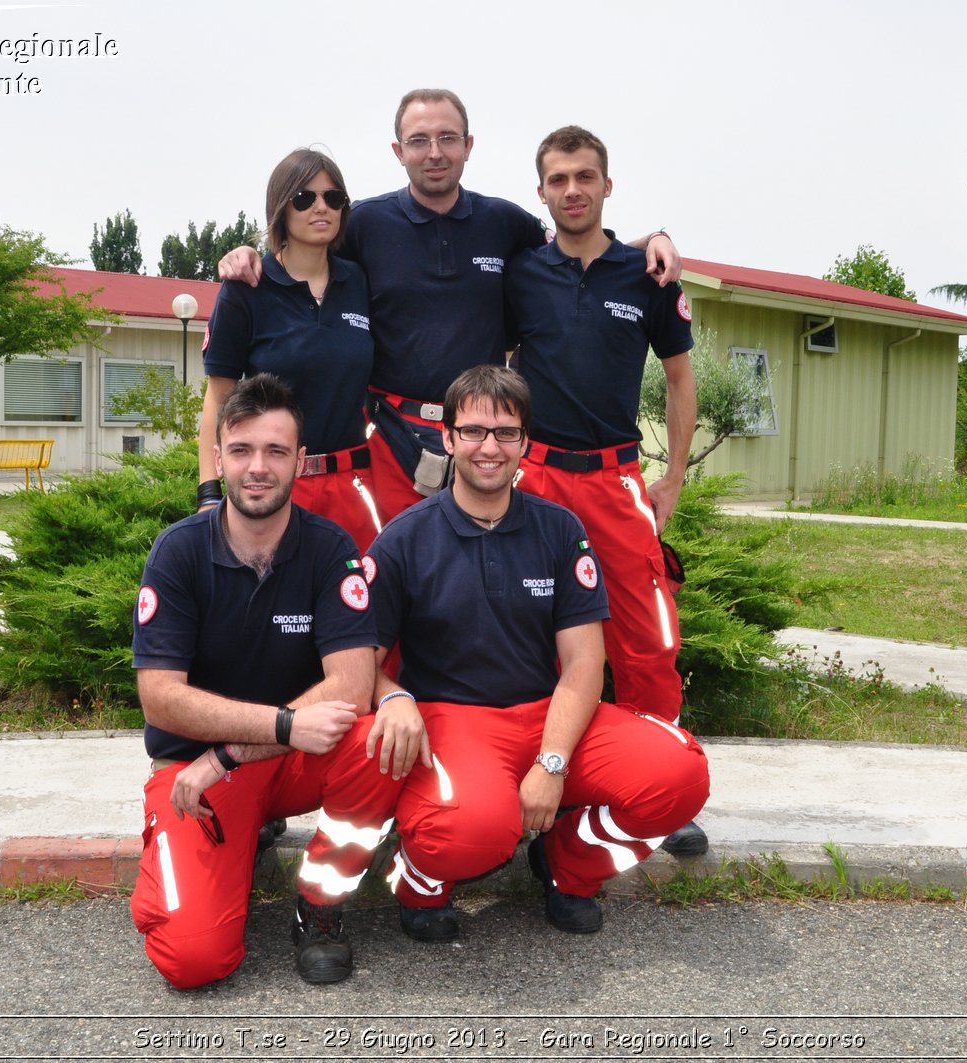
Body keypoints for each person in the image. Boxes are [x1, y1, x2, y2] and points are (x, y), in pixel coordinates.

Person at [220, 89, 682, 523]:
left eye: (447, 138)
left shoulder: (503, 221)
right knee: (386, 573)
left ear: (468, 145)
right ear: (399, 152)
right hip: (388, 443)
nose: (434, 152)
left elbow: (576, 245)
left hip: (480, 441)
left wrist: (651, 240)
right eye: (418, 140)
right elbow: (302, 253)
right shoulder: (362, 222)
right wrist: (249, 255)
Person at [363, 365, 710, 942]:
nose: (489, 447)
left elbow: (582, 665)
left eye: (505, 433)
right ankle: (420, 878)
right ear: (447, 438)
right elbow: (360, 662)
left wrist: (552, 764)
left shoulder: (559, 529)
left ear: (526, 443)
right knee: (474, 829)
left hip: (551, 714)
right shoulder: (404, 537)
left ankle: (566, 865)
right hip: (456, 721)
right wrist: (393, 696)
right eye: (473, 432)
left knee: (679, 777)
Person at [131, 374, 418, 990]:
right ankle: (183, 848)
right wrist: (276, 727)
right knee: (194, 961)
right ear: (218, 457)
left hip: (275, 759)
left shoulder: (330, 548)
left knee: (379, 742)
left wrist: (232, 751)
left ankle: (319, 904)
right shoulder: (177, 553)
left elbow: (351, 681)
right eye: (241, 450)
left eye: (276, 451)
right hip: (195, 773)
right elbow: (159, 697)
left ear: (302, 462)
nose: (257, 467)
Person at [505, 125, 707, 856]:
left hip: (618, 479)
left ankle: (664, 781)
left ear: (607, 185)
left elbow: (681, 380)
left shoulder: (646, 274)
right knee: (532, 640)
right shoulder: (519, 272)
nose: (572, 190)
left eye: (585, 176)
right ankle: (541, 784)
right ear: (542, 192)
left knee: (648, 640)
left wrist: (673, 477)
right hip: (539, 481)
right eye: (558, 180)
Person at [197, 149, 380, 552]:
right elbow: (219, 396)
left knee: (355, 605)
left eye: (333, 198)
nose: (321, 207)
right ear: (281, 207)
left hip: (352, 485)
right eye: (304, 198)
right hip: (275, 486)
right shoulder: (246, 289)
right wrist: (209, 491)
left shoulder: (360, 283)